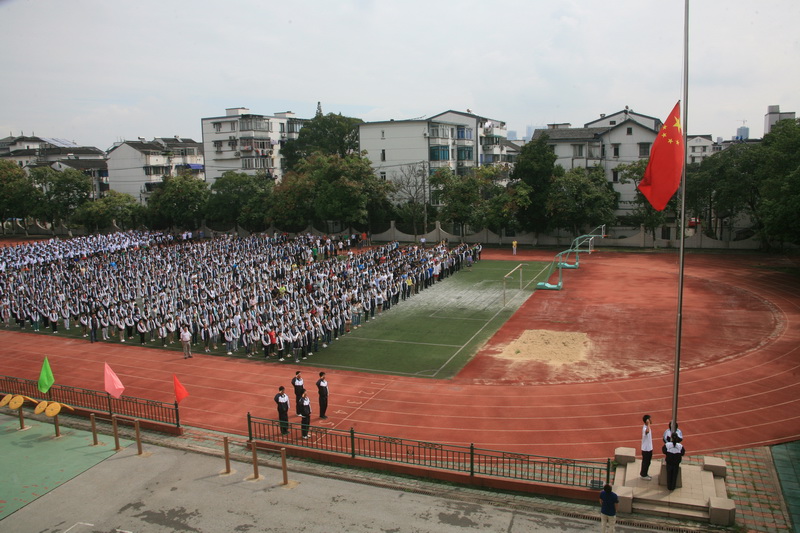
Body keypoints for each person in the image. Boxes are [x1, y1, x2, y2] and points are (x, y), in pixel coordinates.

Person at [640, 414, 653, 480]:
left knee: (648, 462)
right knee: (645, 462)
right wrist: (648, 424)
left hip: (649, 448)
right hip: (646, 449)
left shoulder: (647, 427)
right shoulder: (645, 428)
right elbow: (647, 432)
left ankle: (645, 473)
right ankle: (643, 475)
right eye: (650, 419)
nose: (651, 420)